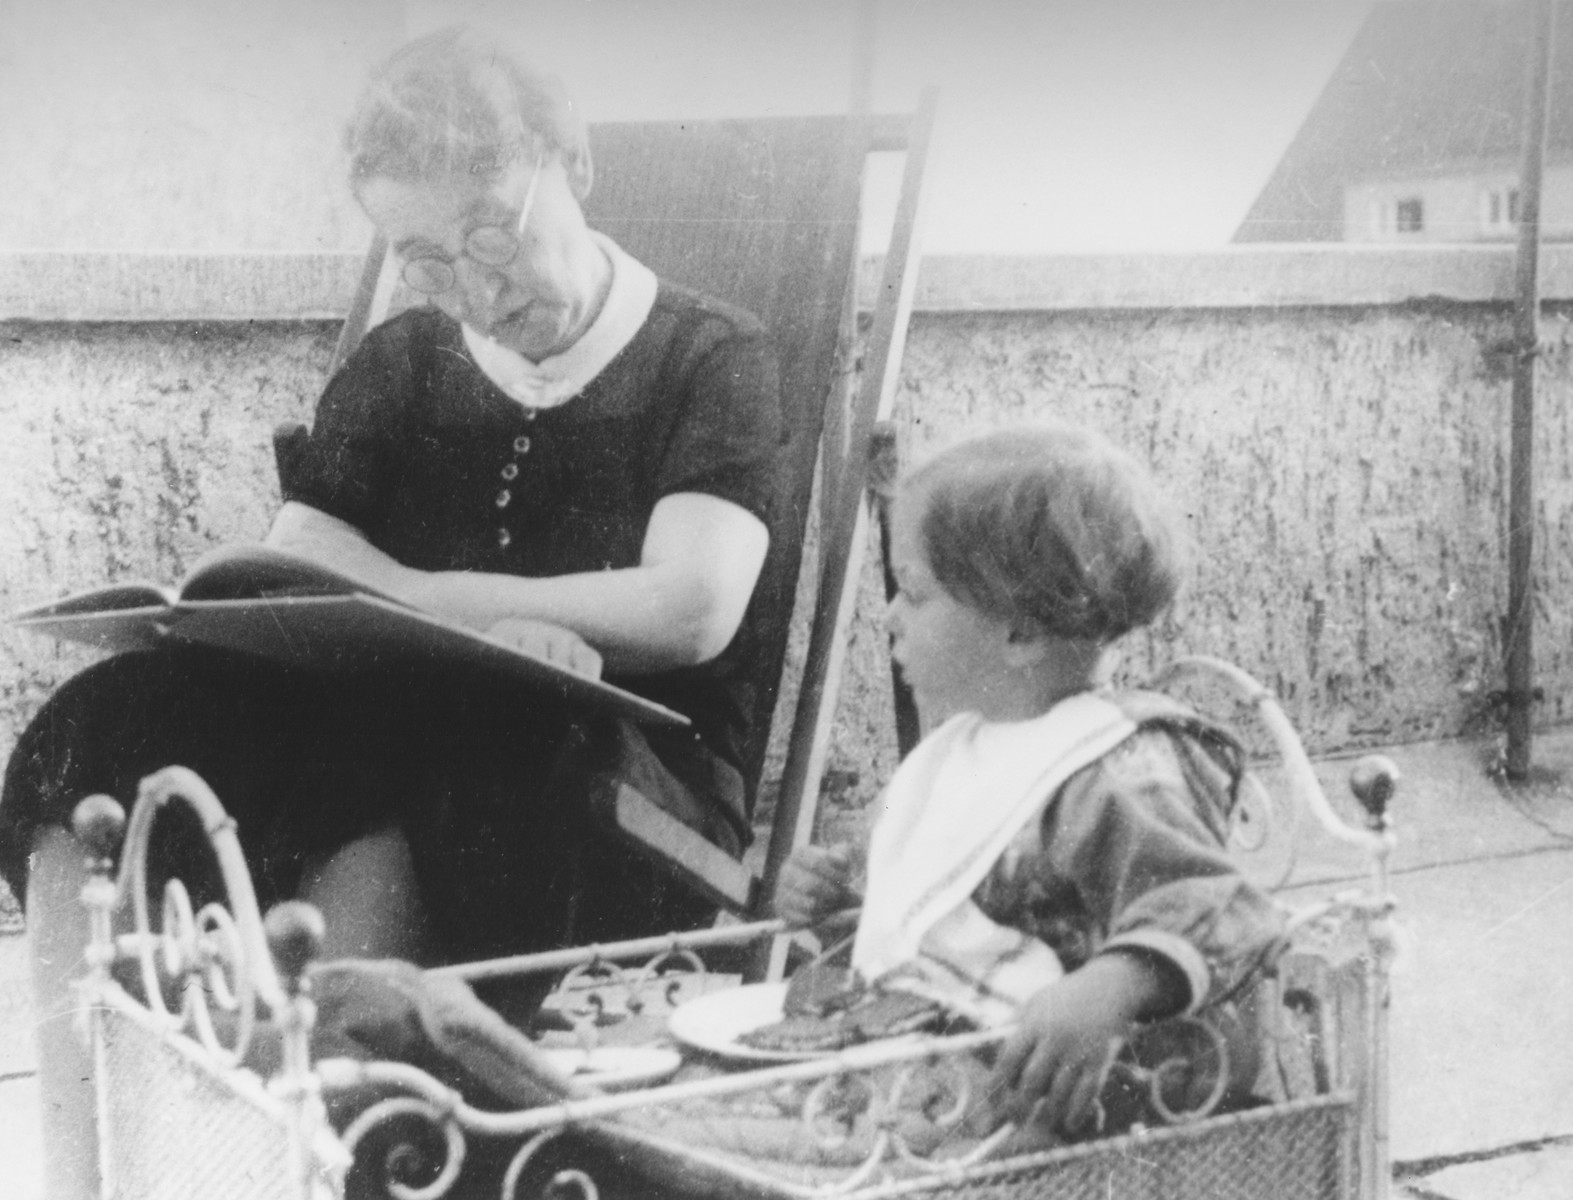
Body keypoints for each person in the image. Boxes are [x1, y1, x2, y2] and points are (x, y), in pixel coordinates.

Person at [4, 26, 785, 1199]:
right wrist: (469, 624)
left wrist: (429, 604)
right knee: (110, 710)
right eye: (423, 256)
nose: (474, 289)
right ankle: (90, 1145)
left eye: (490, 234)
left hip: (621, 778)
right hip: (415, 722)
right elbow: (300, 555)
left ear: (573, 165)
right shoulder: (407, 358)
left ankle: (320, 1136)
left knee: (457, 728)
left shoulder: (709, 355)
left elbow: (689, 607)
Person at [773, 424, 1285, 1139]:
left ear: (1019, 633)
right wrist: (839, 892)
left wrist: (1110, 987)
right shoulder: (961, 746)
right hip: (923, 1074)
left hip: (1048, 1103)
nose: (888, 616)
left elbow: (1214, 905)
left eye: (912, 594)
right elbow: (944, 907)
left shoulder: (1111, 767)